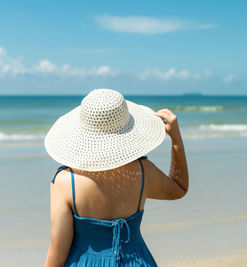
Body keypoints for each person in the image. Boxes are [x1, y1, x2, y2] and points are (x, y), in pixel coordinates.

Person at [44, 89, 189, 266]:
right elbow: (179, 188)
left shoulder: (66, 181)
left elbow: (58, 252)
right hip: (136, 261)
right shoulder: (142, 171)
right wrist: (175, 139)